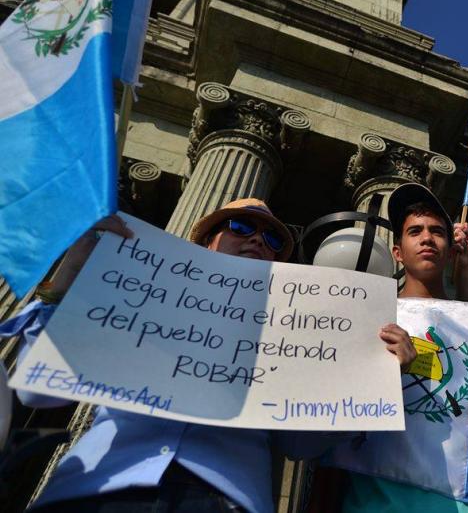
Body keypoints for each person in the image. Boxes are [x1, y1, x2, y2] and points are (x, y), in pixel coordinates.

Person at [2, 198, 416, 513]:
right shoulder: (138, 295)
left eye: (272, 239)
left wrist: (373, 375)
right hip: (98, 485)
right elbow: (41, 397)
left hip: (221, 497)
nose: (258, 239)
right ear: (206, 239)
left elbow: (301, 444)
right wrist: (68, 279)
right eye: (241, 226)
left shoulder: (295, 333)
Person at [340, 182, 468, 512]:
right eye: (415, 231)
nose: (427, 238)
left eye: (437, 231)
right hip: (377, 498)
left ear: (450, 250)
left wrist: (466, 271)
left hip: (462, 502)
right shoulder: (371, 316)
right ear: (398, 252)